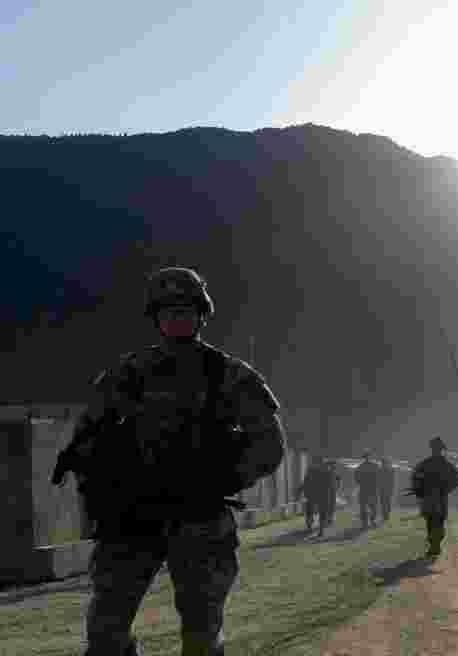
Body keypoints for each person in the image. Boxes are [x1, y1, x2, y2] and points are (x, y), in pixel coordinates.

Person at [51, 267, 286, 656]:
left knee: (201, 632)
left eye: (185, 309)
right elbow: (85, 439)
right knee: (105, 631)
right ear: (155, 317)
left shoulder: (227, 374)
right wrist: (104, 483)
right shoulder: (127, 373)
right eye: (167, 311)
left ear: (201, 315)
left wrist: (218, 480)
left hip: (200, 517)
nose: (177, 318)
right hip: (132, 517)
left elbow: (269, 445)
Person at [410, 437, 458, 557]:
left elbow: (415, 478)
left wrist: (419, 491)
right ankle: (435, 544)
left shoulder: (425, 464)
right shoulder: (446, 465)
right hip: (439, 497)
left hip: (433, 497)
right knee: (437, 520)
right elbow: (457, 480)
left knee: (432, 520)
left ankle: (434, 545)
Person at [354, 451, 379, 528]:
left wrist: (361, 483)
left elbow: (356, 478)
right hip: (372, 489)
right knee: (373, 506)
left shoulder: (360, 467)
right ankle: (372, 521)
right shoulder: (375, 466)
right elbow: (379, 477)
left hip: (364, 488)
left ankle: (365, 523)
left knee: (364, 507)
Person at [377, 456, 396, 521]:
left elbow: (378, 480)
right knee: (386, 502)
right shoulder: (391, 470)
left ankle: (385, 514)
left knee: (384, 502)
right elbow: (392, 481)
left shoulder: (380, 470)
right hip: (387, 489)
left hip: (383, 489)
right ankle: (386, 514)